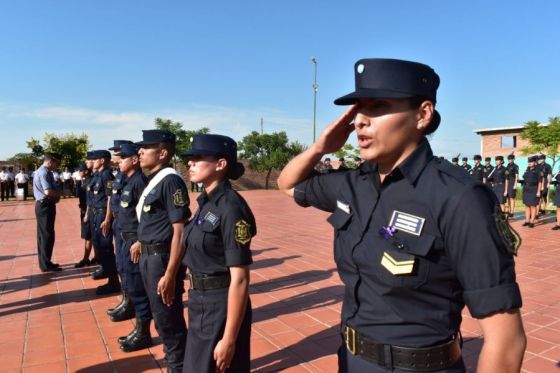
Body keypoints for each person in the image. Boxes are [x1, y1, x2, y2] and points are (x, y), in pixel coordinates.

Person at [278, 58, 525, 373]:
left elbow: (507, 339)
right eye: (357, 110)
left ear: (423, 114)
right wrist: (319, 148)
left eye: (378, 106)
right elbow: (288, 184)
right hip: (351, 360)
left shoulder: (460, 198)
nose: (360, 122)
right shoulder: (354, 184)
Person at [181, 134, 255, 373]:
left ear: (221, 164)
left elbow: (240, 279)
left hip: (220, 305)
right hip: (200, 301)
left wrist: (229, 338)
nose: (190, 163)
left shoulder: (232, 207)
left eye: (198, 158)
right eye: (190, 159)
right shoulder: (206, 202)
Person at [136, 129, 189, 373]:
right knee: (160, 315)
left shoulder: (170, 181)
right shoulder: (155, 180)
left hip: (162, 259)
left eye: (146, 148)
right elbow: (155, 221)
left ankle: (178, 367)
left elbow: (179, 231)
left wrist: (170, 273)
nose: (140, 152)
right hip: (149, 256)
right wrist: (141, 241)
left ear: (163, 153)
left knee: (169, 318)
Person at [114, 143, 154, 352]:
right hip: (125, 239)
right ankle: (139, 328)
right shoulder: (130, 181)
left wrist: (140, 240)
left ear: (135, 160)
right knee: (129, 280)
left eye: (123, 158)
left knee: (138, 287)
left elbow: (145, 216)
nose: (119, 161)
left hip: (134, 241)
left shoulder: (139, 182)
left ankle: (144, 332)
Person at [107, 140, 134, 321]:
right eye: (116, 153)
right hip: (118, 221)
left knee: (128, 266)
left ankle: (130, 301)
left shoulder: (130, 177)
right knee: (121, 263)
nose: (116, 156)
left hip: (127, 225)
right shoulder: (119, 174)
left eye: (119, 153)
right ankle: (126, 298)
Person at [88, 150, 120, 295]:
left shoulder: (107, 175)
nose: (91, 162)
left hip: (102, 215)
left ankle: (113, 281)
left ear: (101, 161)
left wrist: (107, 219)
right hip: (96, 214)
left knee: (106, 248)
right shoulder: (96, 175)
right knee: (99, 246)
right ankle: (106, 272)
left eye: (94, 160)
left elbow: (109, 198)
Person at [33, 153, 62, 272]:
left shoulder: (44, 172)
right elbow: (48, 191)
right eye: (56, 163)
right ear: (50, 161)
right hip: (45, 205)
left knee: (44, 234)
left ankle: (45, 262)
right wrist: (60, 194)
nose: (56, 166)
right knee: (46, 235)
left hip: (44, 205)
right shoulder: (44, 172)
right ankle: (45, 264)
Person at [75, 162, 93, 268]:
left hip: (87, 212)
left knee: (88, 235)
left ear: (86, 171)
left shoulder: (89, 182)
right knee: (89, 235)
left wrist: (86, 214)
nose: (79, 172)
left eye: (80, 170)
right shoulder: (84, 181)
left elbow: (90, 200)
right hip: (83, 210)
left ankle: (86, 258)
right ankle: (95, 257)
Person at [522, 156, 543, 228]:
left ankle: (532, 222)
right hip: (526, 189)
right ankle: (527, 220)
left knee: (533, 206)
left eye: (531, 162)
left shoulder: (538, 170)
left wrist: (538, 191)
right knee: (527, 205)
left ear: (535, 162)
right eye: (528, 162)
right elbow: (524, 177)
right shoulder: (527, 169)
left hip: (534, 188)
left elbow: (540, 181)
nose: (529, 163)